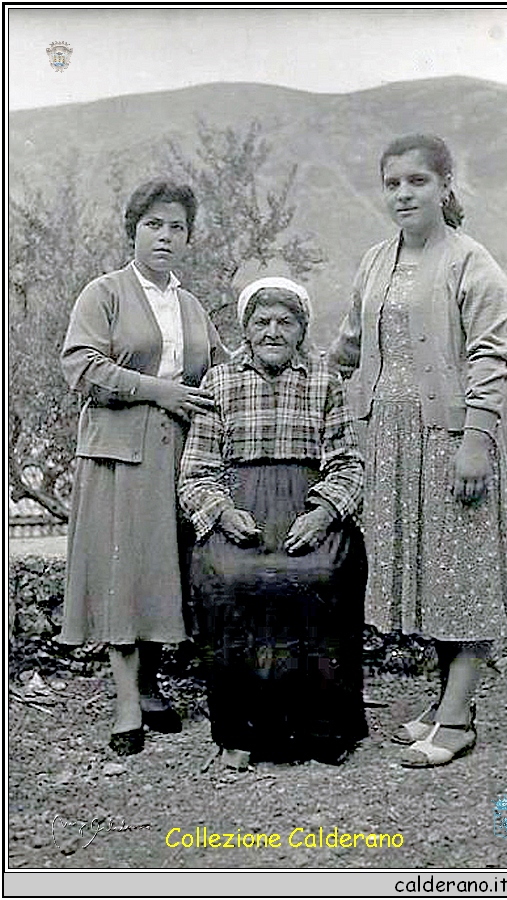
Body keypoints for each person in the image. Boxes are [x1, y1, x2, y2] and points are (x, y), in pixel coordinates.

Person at [328, 134, 507, 767]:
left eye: (417, 181)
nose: (403, 194)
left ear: (445, 186)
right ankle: (445, 703)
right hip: (389, 438)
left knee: (464, 575)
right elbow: (350, 343)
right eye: (392, 184)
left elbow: (491, 359)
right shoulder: (375, 261)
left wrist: (475, 441)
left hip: (451, 437)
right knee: (433, 578)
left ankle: (459, 717)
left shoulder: (473, 263)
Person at [60, 180, 226, 755]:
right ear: (133, 230)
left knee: (165, 570)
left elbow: (224, 371)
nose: (165, 236)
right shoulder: (103, 294)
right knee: (123, 570)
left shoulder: (191, 305)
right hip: (119, 457)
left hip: (181, 455)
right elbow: (82, 367)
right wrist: (158, 391)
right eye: (154, 224)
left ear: (187, 238)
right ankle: (127, 701)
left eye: (176, 226)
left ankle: (151, 684)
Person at [178, 276, 368, 769]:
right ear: (245, 329)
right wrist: (220, 511)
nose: (273, 331)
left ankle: (322, 730)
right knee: (231, 579)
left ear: (302, 330)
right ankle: (240, 734)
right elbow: (195, 471)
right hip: (240, 513)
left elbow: (348, 463)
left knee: (323, 576)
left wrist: (324, 512)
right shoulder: (219, 381)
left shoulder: (324, 379)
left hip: (308, 512)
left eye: (285, 322)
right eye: (262, 322)